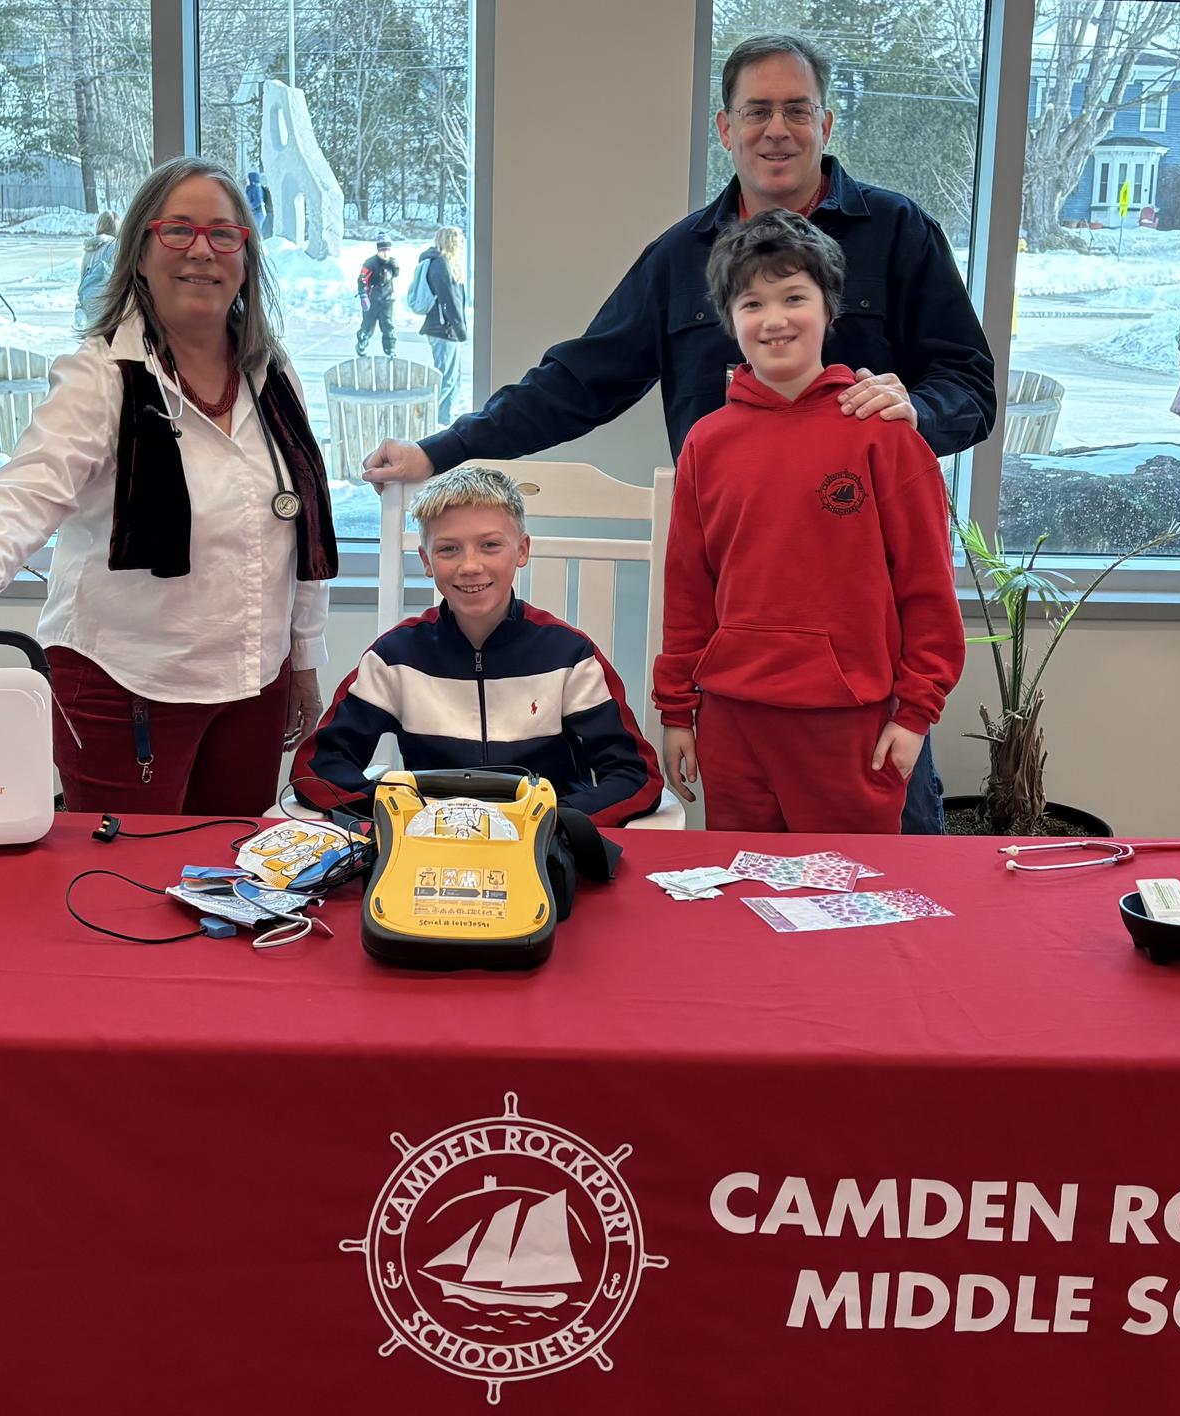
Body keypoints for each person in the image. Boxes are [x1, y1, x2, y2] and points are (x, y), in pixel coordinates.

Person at [360, 33, 995, 835]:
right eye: (756, 111)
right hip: (740, 678)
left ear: (826, 124)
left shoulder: (898, 233)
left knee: (892, 878)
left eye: (796, 110)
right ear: (725, 129)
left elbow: (971, 388)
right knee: (742, 878)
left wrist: (914, 412)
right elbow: (577, 381)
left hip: (861, 681)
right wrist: (439, 451)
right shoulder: (680, 258)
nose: (777, 129)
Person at [0, 156, 339, 817]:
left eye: (223, 234)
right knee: (125, 875)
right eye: (178, 230)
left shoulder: (273, 378)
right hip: (127, 687)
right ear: (140, 253)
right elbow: (23, 494)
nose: (202, 250)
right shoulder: (102, 377)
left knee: (230, 867)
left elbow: (300, 531)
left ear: (246, 257)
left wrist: (303, 661)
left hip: (253, 685)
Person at [652, 210, 964, 833]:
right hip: (732, 723)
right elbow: (688, 589)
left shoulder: (884, 436)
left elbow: (928, 586)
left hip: (850, 723)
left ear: (829, 307)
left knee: (852, 886)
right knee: (746, 884)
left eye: (794, 297)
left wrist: (915, 713)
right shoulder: (706, 444)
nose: (774, 319)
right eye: (752, 303)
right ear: (729, 319)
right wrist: (676, 711)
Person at [292, 466, 663, 825]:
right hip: (430, 844)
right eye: (448, 549)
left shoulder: (569, 657)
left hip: (546, 843)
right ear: (426, 560)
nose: (470, 566)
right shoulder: (394, 658)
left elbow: (635, 776)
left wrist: (554, 820)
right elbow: (316, 769)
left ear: (521, 550)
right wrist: (397, 812)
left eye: (490, 545)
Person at [418, 227, 469, 424]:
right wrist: (460, 330)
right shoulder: (440, 265)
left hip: (445, 329)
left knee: (453, 379)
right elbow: (449, 301)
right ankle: (431, 421)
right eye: (459, 241)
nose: (461, 245)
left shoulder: (445, 263)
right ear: (451, 242)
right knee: (446, 380)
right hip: (443, 329)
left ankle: (444, 420)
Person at [75, 210, 119, 331]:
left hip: (88, 303)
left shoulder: (89, 249)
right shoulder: (114, 246)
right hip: (107, 304)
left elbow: (83, 278)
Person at [356, 236, 398, 358]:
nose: (385, 253)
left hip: (387, 300)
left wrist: (395, 267)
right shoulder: (370, 263)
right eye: (382, 250)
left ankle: (390, 349)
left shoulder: (392, 263)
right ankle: (362, 341)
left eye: (387, 250)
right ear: (378, 250)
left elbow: (395, 275)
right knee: (368, 325)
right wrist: (363, 295)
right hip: (372, 300)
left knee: (388, 325)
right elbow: (362, 279)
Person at [245, 170, 269, 238]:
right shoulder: (250, 188)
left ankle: (259, 242)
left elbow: (257, 202)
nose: (247, 180)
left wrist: (248, 207)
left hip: (257, 212)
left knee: (256, 230)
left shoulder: (256, 188)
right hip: (254, 212)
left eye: (248, 178)